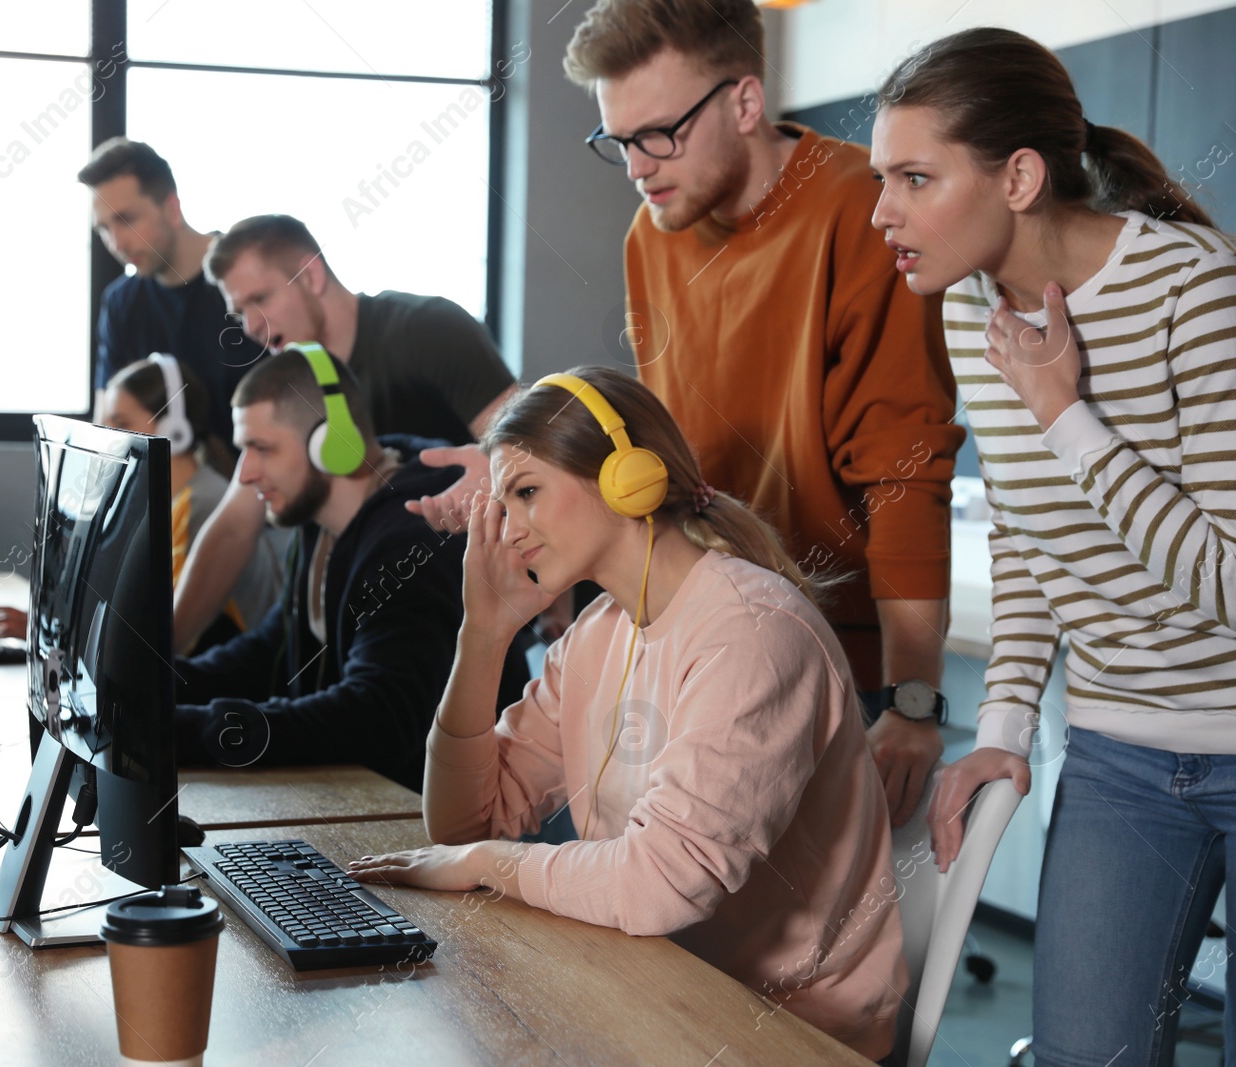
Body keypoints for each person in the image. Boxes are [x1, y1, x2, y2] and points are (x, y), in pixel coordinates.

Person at [350, 367, 904, 1058]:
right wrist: (483, 636)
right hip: (653, 983)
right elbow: (464, 820)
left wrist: (487, 863)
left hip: (791, 1031)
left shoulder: (752, 632)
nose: (508, 527)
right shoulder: (600, 631)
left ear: (626, 476)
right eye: (501, 502)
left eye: (526, 492)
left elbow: (660, 885)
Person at [869, 27, 1236, 1064]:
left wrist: (1063, 412)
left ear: (1019, 176)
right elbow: (1036, 540)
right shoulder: (966, 312)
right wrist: (1002, 725)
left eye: (912, 177)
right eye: (879, 178)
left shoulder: (1190, 288)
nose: (878, 212)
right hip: (1118, 754)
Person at [549, 0, 964, 828]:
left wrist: (915, 701)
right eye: (618, 142)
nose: (637, 165)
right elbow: (664, 453)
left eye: (657, 134)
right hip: (698, 636)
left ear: (743, 103)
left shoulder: (860, 210)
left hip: (829, 653)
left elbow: (904, 471)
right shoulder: (650, 234)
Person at [173, 344, 531, 793]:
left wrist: (186, 731)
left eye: (261, 448)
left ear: (332, 445)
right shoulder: (321, 525)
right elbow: (272, 649)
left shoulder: (411, 541)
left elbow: (375, 720)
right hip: (363, 797)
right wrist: (155, 687)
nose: (244, 474)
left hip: (430, 824)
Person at [172, 213, 517, 651]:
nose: (251, 326)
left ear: (311, 274)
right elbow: (235, 526)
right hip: (363, 611)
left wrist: (494, 468)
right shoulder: (287, 382)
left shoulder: (427, 330)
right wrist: (160, 659)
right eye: (239, 312)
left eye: (260, 299)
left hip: (457, 608)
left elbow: (527, 445)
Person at [0, 356, 287, 651]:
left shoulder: (203, 504)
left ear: (173, 431)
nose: (106, 439)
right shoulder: (159, 506)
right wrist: (52, 626)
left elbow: (162, 641)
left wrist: (52, 633)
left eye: (120, 423)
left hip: (224, 686)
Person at [79, 137, 265, 452]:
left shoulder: (244, 281)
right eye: (105, 229)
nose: (117, 243)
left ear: (172, 208)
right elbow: (106, 427)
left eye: (126, 220)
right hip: (166, 493)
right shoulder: (121, 303)